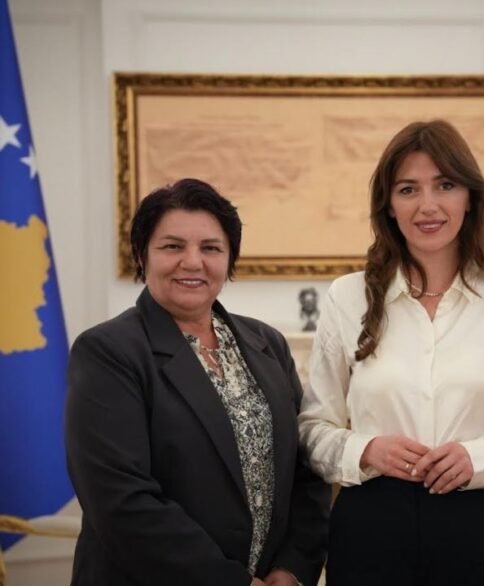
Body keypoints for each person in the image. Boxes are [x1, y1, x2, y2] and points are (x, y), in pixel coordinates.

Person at [298, 119, 484, 586]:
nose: (428, 205)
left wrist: (480, 457)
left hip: (478, 526)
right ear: (389, 205)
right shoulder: (347, 297)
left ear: (469, 198)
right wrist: (366, 450)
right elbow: (312, 429)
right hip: (369, 527)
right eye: (408, 189)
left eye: (445, 185)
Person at [65, 178, 329, 586]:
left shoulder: (267, 343)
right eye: (172, 246)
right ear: (142, 255)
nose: (192, 262)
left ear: (230, 258)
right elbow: (121, 500)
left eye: (210, 248)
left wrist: (293, 568)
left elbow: (306, 469)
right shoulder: (107, 351)